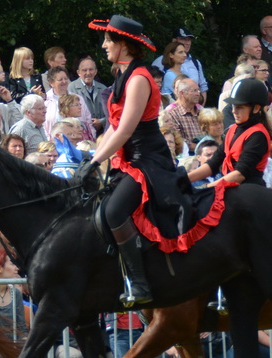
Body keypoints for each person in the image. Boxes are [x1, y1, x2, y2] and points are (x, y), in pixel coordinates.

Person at [85, 15, 210, 307]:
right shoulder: (123, 74)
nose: (104, 45)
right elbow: (114, 126)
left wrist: (95, 161)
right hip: (130, 158)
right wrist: (94, 157)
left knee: (114, 212)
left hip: (148, 159)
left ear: (123, 45)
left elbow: (127, 128)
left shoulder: (140, 78)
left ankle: (140, 283)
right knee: (100, 208)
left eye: (108, 40)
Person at [188, 78, 272, 191]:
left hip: (248, 190)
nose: (234, 111)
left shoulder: (258, 135)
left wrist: (206, 188)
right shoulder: (232, 129)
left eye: (240, 107)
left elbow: (240, 174)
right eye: (234, 106)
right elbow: (213, 163)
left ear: (256, 108)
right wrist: (185, 179)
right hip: (229, 186)